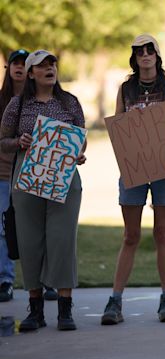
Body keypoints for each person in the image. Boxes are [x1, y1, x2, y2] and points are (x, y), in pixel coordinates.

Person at [0, 50, 87, 330]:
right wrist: (18, 142)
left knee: (62, 241)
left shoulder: (70, 102)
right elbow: (3, 139)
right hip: (28, 174)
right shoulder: (18, 103)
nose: (49, 68)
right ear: (30, 73)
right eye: (42, 65)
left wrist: (78, 152)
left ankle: (65, 309)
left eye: (52, 64)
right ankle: (35, 310)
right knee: (30, 242)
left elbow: (81, 138)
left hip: (63, 175)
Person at [101, 34, 165, 325]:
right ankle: (115, 299)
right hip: (133, 170)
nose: (145, 55)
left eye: (150, 51)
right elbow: (119, 128)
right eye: (140, 52)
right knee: (130, 235)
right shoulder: (125, 89)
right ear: (134, 58)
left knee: (162, 233)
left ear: (158, 56)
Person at [0, 49, 28, 303]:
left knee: (36, 228)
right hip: (3, 174)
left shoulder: (40, 100)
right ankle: (5, 281)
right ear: (8, 69)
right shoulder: (1, 101)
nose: (19, 67)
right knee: (2, 228)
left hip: (32, 173)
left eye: (24, 63)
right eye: (14, 63)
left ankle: (45, 281)